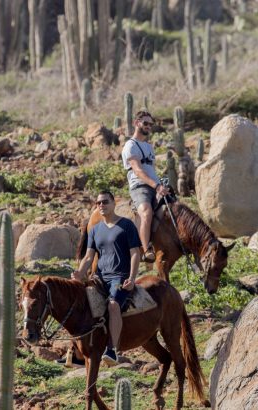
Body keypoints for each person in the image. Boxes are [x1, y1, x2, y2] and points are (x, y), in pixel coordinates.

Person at [72, 191, 142, 365]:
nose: (101, 206)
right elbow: (89, 257)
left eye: (105, 202)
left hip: (120, 276)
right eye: (98, 203)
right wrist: (79, 274)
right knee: (77, 302)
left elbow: (135, 254)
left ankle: (112, 350)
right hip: (100, 277)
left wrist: (132, 278)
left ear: (113, 203)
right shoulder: (95, 229)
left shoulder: (127, 225)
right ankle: (75, 353)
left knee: (113, 305)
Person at [121, 111, 168, 263]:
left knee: (175, 208)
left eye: (151, 124)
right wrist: (156, 185)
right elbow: (138, 170)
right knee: (146, 212)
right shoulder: (130, 145)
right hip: (139, 185)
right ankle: (146, 249)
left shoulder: (149, 146)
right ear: (136, 123)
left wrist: (160, 184)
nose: (148, 126)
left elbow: (151, 170)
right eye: (145, 123)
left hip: (155, 185)